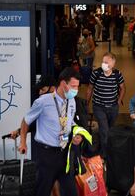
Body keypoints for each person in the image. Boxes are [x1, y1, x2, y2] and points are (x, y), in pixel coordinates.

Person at [18, 67, 82, 196]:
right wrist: (23, 142)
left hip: (65, 154)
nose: (76, 90)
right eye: (74, 86)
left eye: (77, 87)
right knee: (42, 190)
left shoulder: (72, 101)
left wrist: (77, 134)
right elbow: (26, 121)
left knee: (71, 191)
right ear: (64, 84)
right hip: (47, 155)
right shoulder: (43, 101)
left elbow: (71, 122)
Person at [86, 52, 126, 159]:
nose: (103, 64)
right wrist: (86, 103)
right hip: (98, 107)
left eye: (106, 62)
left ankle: (102, 147)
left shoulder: (117, 74)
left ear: (113, 63)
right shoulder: (96, 73)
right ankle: (105, 156)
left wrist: (119, 101)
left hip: (113, 107)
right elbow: (90, 88)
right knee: (105, 130)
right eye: (103, 61)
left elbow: (123, 88)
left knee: (109, 130)